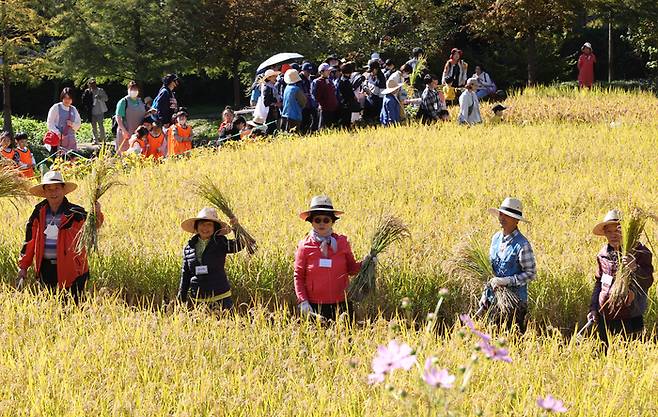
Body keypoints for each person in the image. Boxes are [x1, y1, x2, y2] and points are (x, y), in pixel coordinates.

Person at [17, 171, 104, 303]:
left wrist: (97, 212)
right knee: (49, 307)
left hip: (73, 269)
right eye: (49, 189)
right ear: (44, 192)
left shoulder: (75, 212)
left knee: (75, 308)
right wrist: (23, 267)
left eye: (57, 188)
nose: (53, 192)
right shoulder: (38, 212)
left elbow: (94, 226)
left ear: (63, 190)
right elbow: (30, 240)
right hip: (45, 269)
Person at [294, 196, 369, 320]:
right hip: (315, 306)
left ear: (333, 222)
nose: (322, 223)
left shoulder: (342, 243)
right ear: (311, 221)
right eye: (317, 220)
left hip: (341, 304)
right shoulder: (305, 246)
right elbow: (298, 276)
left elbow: (351, 269)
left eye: (326, 220)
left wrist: (366, 263)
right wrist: (303, 301)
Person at [588, 210, 654, 348]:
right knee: (603, 354)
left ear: (627, 231)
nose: (613, 235)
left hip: (630, 317)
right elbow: (599, 283)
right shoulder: (603, 254)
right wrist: (593, 308)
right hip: (604, 314)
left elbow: (647, 282)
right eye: (609, 231)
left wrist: (634, 267)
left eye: (618, 230)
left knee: (628, 358)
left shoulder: (640, 252)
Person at [478, 197, 536, 332]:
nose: (502, 218)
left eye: (507, 216)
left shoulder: (522, 244)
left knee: (512, 343)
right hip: (493, 301)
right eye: (501, 214)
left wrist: (507, 281)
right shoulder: (495, 239)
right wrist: (485, 294)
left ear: (516, 220)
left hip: (514, 304)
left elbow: (530, 274)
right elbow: (491, 272)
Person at [178, 207, 243, 311]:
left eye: (209, 225)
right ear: (197, 226)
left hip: (221, 297)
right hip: (198, 299)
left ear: (215, 228)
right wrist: (181, 299)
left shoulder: (221, 242)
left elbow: (239, 245)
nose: (205, 228)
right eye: (202, 224)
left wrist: (236, 227)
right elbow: (185, 274)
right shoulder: (189, 247)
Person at [46, 87, 82, 154]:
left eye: (69, 98)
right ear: (62, 97)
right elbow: (50, 123)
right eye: (65, 98)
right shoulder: (56, 107)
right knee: (58, 161)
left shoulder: (74, 109)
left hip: (71, 142)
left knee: (72, 161)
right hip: (58, 140)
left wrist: (72, 124)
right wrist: (58, 133)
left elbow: (78, 124)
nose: (67, 100)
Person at [115, 81, 146, 155]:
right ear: (128, 90)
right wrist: (124, 131)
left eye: (135, 89)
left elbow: (142, 115)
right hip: (126, 134)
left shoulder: (140, 101)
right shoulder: (123, 101)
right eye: (132, 89)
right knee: (124, 155)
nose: (134, 91)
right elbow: (118, 117)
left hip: (138, 135)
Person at [312, 63, 339, 129]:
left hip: (332, 107)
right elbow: (314, 95)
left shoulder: (330, 81)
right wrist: (319, 104)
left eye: (329, 70)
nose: (329, 72)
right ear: (321, 72)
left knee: (331, 127)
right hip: (324, 108)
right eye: (327, 70)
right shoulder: (317, 82)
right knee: (323, 127)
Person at [81, 79, 108, 144]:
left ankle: (103, 140)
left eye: (93, 83)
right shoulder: (87, 91)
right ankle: (95, 140)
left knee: (101, 125)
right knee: (93, 127)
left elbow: (106, 98)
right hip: (91, 112)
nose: (92, 85)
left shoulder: (100, 90)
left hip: (100, 111)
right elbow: (84, 101)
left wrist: (100, 97)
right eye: (91, 84)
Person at [337, 62, 360, 129]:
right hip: (347, 104)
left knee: (343, 121)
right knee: (346, 122)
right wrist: (355, 98)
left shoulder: (341, 79)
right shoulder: (346, 81)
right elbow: (350, 94)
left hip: (342, 103)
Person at [261, 69, 282, 135]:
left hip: (274, 111)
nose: (275, 77)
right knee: (271, 130)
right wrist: (276, 104)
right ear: (269, 78)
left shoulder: (272, 87)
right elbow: (266, 102)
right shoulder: (267, 88)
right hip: (270, 113)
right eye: (273, 76)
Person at [300, 62, 318, 134]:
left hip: (310, 102)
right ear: (303, 70)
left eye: (310, 71)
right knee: (305, 120)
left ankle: (313, 132)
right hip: (304, 104)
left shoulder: (310, 78)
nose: (309, 73)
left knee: (314, 118)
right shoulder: (299, 79)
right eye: (307, 71)